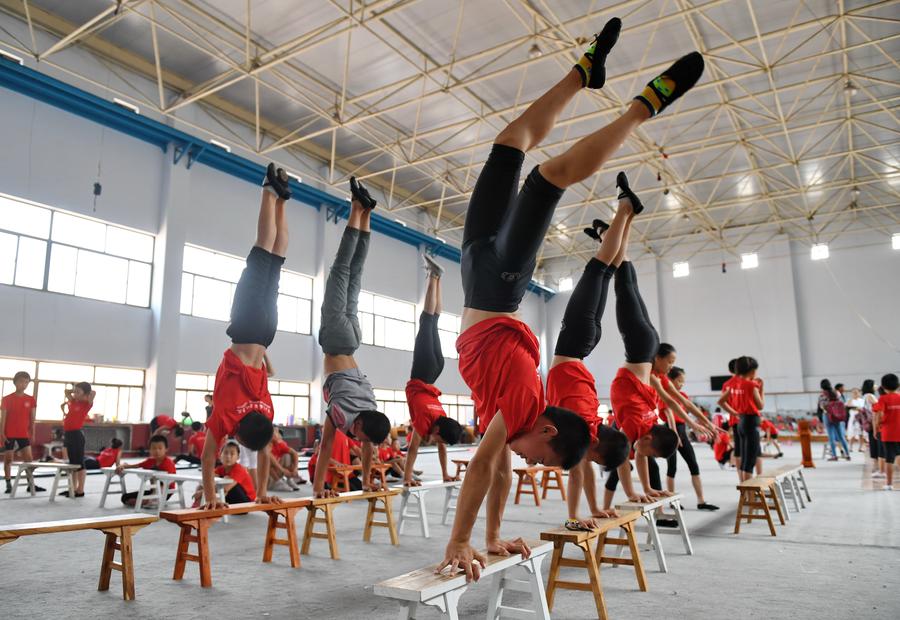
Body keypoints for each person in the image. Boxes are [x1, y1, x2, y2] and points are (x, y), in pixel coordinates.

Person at [440, 15, 706, 578]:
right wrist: (460, 540)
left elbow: (500, 467)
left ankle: (584, 74)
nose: (528, 462)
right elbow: (486, 466)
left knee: (509, 143)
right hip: (498, 286)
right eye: (543, 459)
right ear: (547, 432)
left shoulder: (512, 420)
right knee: (548, 177)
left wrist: (490, 537)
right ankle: (643, 107)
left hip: (475, 273)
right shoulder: (522, 406)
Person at [200, 163, 292, 510]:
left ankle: (282, 201)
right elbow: (208, 458)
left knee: (275, 260)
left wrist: (263, 492)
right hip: (247, 327)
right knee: (260, 252)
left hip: (267, 332)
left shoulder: (266, 413)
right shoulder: (226, 416)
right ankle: (269, 192)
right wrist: (211, 497)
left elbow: (264, 449)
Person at [545, 198, 635, 529]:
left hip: (584, 344)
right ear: (595, 445)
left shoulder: (589, 425)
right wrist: (575, 514)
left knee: (608, 270)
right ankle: (625, 211)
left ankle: (616, 226)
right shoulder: (582, 429)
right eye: (594, 457)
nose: (587, 460)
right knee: (599, 267)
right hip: (576, 342)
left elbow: (580, 473)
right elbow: (579, 473)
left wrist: (592, 510)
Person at [313, 177, 392, 499]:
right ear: (358, 428)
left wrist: (370, 478)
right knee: (341, 271)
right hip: (336, 340)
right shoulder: (343, 415)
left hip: (353, 339)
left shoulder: (370, 409)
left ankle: (365, 211)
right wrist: (319, 488)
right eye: (360, 436)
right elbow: (326, 447)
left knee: (355, 274)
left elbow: (370, 448)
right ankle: (354, 210)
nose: (358, 440)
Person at [402, 259, 465, 486]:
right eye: (439, 438)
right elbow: (412, 450)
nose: (438, 441)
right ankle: (434, 276)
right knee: (426, 319)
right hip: (424, 371)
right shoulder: (426, 423)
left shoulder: (441, 418)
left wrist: (445, 474)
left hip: (436, 369)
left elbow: (441, 449)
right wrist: (407, 478)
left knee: (434, 321)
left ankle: (437, 277)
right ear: (437, 430)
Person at [664, 367, 719, 511]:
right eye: (679, 380)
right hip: (670, 433)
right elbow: (670, 415)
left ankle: (701, 501)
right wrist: (674, 436)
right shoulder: (664, 395)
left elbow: (687, 414)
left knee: (694, 466)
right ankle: (671, 500)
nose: (682, 384)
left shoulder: (682, 395)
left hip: (682, 431)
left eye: (683, 381)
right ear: (671, 380)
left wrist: (700, 425)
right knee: (672, 468)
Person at [719, 356, 765, 481]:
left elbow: (721, 401)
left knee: (744, 459)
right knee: (751, 460)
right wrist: (761, 387)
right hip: (751, 421)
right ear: (751, 371)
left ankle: (744, 487)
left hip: (740, 422)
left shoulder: (733, 385)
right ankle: (750, 494)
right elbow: (760, 405)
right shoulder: (751, 385)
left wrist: (734, 413)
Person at [2, 371, 44, 493]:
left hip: (23, 434)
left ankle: (30, 484)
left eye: (26, 382)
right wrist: (2, 433)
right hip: (9, 433)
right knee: (8, 459)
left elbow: (32, 419)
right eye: (21, 381)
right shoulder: (6, 399)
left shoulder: (30, 399)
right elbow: (3, 418)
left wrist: (33, 433)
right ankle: (8, 483)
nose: (23, 384)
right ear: (15, 382)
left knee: (29, 460)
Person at [59, 381, 95, 497]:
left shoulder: (86, 404)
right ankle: (73, 489)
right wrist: (76, 391)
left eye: (78, 391)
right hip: (69, 434)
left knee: (80, 463)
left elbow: (93, 392)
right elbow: (65, 392)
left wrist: (84, 394)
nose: (74, 393)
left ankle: (81, 490)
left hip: (76, 435)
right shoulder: (74, 401)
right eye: (74, 391)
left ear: (85, 394)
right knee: (73, 463)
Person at [118, 434, 176, 506]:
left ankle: (150, 500)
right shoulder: (150, 461)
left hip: (166, 491)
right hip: (153, 490)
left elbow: (169, 482)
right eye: (154, 448)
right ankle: (147, 501)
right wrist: (122, 465)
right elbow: (134, 466)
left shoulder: (168, 463)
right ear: (150, 450)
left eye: (160, 448)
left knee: (156, 471)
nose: (157, 451)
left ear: (166, 449)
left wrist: (154, 495)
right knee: (124, 497)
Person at [194, 440, 256, 506]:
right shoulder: (220, 469)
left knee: (225, 483)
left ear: (238, 457)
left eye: (232, 454)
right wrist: (201, 488)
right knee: (204, 483)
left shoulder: (239, 469)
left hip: (246, 502)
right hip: (230, 499)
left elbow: (225, 488)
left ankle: (209, 506)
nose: (228, 456)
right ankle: (195, 508)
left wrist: (202, 492)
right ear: (220, 455)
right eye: (225, 453)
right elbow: (207, 479)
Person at [873, 373, 900, 490]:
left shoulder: (883, 399)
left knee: (889, 459)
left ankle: (889, 484)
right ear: (898, 385)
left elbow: (877, 414)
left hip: (888, 433)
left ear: (883, 387)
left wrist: (876, 428)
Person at [818, 379, 850, 461]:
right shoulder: (836, 393)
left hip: (827, 416)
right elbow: (842, 403)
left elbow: (822, 407)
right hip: (837, 416)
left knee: (831, 437)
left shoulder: (822, 395)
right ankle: (847, 454)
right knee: (841, 436)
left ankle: (834, 456)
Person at [860, 379, 884, 477]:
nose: (876, 385)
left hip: (869, 423)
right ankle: (877, 467)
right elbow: (878, 407)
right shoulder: (870, 396)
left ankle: (876, 466)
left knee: (873, 444)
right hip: (874, 421)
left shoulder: (864, 396)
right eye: (874, 384)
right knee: (876, 444)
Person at [846, 387, 866, 453]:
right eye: (854, 392)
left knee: (861, 433)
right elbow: (848, 407)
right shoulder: (849, 400)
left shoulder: (862, 400)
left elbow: (863, 409)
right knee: (852, 432)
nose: (855, 394)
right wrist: (857, 408)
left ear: (859, 393)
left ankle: (861, 447)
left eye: (857, 392)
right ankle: (850, 447)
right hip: (853, 418)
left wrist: (858, 409)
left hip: (861, 418)